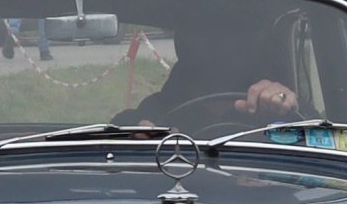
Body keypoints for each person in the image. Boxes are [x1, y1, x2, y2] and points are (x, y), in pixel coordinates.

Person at [117, 13, 301, 130]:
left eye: (234, 32)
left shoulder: (276, 108)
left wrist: (285, 105)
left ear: (256, 42)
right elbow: (119, 130)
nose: (221, 45)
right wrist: (139, 135)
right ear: (183, 42)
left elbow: (320, 138)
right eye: (205, 32)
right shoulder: (157, 109)